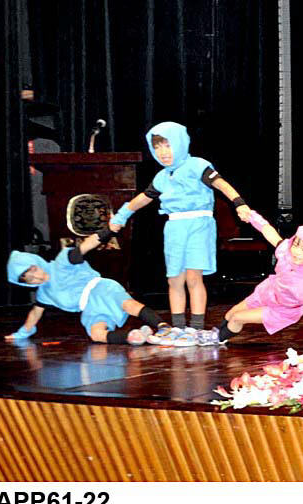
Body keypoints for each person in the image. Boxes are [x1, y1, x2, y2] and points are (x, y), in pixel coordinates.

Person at [108, 121, 252, 346]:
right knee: (174, 279)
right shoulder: (162, 177)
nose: (163, 152)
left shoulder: (197, 165)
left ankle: (195, 328)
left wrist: (239, 203)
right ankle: (178, 328)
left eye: (167, 145)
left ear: (180, 143)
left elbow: (222, 184)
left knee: (194, 277)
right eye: (157, 147)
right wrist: (121, 216)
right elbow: (144, 198)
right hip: (174, 227)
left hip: (198, 224)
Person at [5, 230, 167, 345]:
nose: (36, 278)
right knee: (96, 334)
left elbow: (85, 246)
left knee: (129, 305)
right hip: (90, 309)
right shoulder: (44, 294)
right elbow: (35, 314)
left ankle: (163, 327)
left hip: (101, 290)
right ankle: (134, 337)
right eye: (29, 280)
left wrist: (108, 230)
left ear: (37, 263)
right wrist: (23, 333)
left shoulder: (62, 262)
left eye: (34, 270)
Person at [214, 211, 303, 343]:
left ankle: (215, 340)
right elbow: (268, 231)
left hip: (282, 310)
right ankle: (215, 334)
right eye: (296, 245)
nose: (296, 252)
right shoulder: (286, 251)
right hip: (267, 292)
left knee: (237, 317)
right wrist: (251, 216)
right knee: (229, 314)